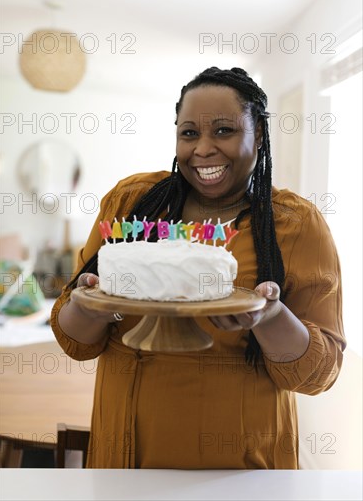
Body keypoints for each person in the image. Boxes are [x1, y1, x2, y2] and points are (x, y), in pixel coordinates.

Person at [51, 66, 346, 469]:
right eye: (189, 133)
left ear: (258, 134)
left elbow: (320, 371)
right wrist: (87, 306)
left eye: (224, 130)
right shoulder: (131, 202)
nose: (203, 149)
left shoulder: (294, 224)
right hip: (124, 461)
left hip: (239, 467)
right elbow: (76, 343)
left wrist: (270, 316)